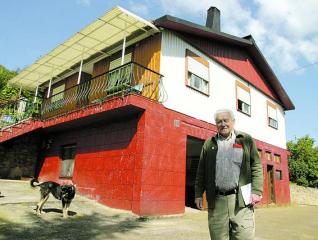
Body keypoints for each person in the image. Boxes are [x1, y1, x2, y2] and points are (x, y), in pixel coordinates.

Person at [195, 108, 263, 240]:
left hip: (241, 199)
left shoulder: (245, 140)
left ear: (233, 122)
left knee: (245, 236)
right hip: (217, 200)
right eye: (219, 121)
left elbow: (256, 166)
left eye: (226, 120)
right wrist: (198, 193)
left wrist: (256, 190)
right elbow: (201, 171)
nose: (223, 124)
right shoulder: (209, 144)